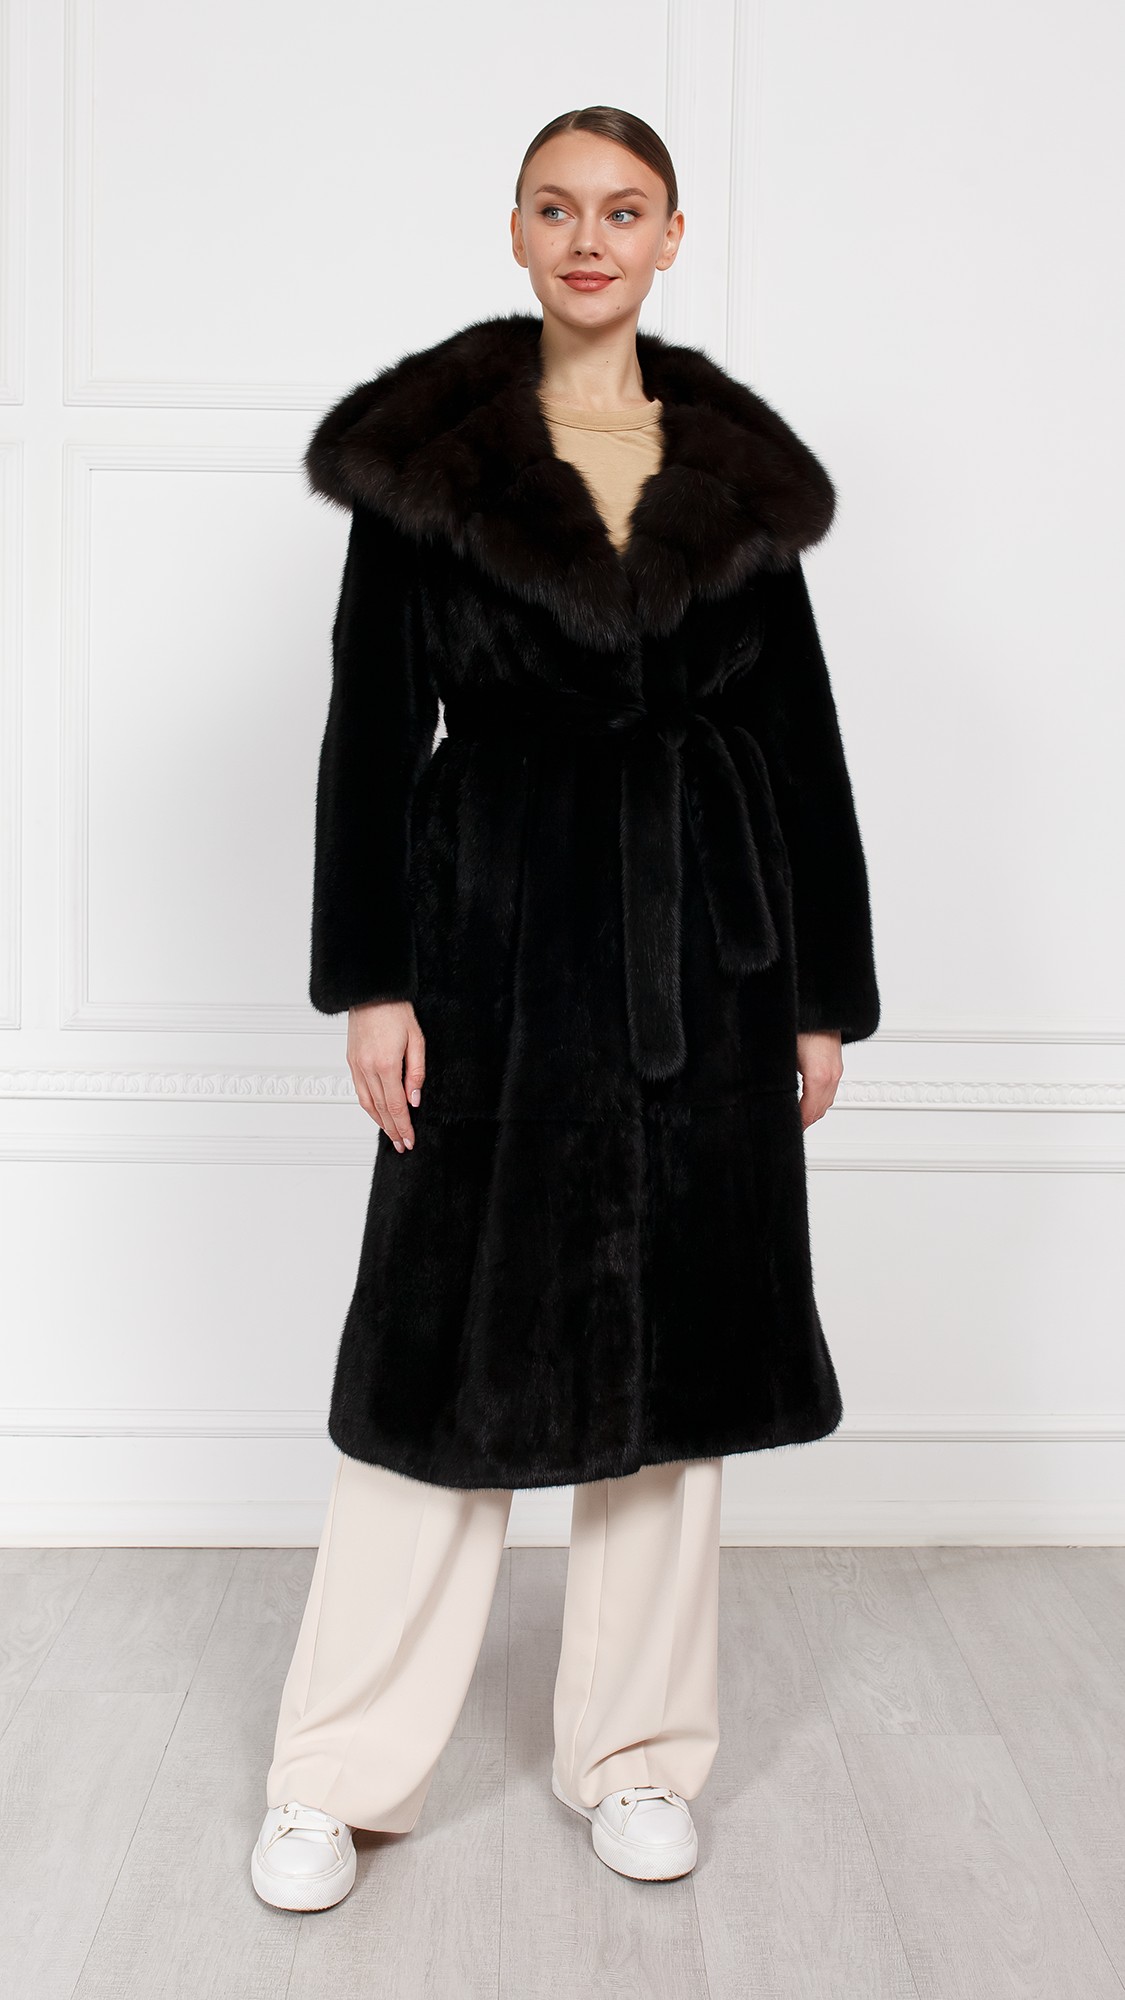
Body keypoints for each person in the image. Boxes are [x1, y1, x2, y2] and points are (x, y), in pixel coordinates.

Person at [251, 105, 880, 1911]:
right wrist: (374, 977)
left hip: (706, 956)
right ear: (515, 231)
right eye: (556, 206)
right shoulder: (431, 463)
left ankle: (638, 1756)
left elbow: (798, 739)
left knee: (672, 1374)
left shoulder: (732, 472)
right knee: (440, 1359)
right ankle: (334, 1776)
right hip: (495, 946)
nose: (588, 236)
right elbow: (374, 729)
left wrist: (818, 994)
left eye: (623, 209)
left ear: (671, 237)